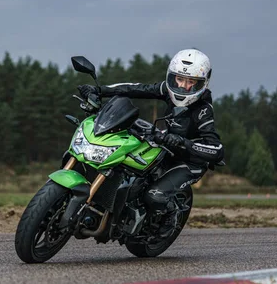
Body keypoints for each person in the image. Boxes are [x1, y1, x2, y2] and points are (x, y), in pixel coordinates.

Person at [77, 48, 225, 238]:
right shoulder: (166, 90)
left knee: (154, 195)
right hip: (165, 148)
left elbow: (217, 149)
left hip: (189, 161)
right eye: (179, 79)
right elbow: (135, 88)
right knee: (123, 166)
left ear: (203, 83)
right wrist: (100, 90)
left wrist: (182, 142)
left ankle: (170, 216)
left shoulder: (203, 110)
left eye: (191, 82)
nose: (183, 86)